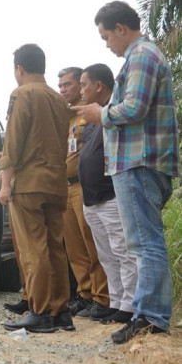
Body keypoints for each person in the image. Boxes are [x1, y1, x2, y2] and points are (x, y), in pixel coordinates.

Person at [74, 1, 179, 343]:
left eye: (106, 36)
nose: (107, 45)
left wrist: (100, 114)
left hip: (139, 161)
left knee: (144, 243)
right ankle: (148, 315)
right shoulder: (141, 56)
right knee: (143, 241)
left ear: (120, 28)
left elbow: (134, 107)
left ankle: (150, 318)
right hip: (139, 162)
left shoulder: (142, 56)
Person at [1, 44, 72, 334]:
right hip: (56, 183)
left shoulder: (22, 94)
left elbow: (13, 141)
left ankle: (40, 311)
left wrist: (5, 182)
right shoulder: (58, 99)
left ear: (19, 69)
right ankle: (61, 311)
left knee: (33, 249)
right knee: (55, 247)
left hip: (29, 183)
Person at [77, 63, 136, 324]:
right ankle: (117, 301)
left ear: (99, 85)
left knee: (123, 250)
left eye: (83, 85)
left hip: (111, 195)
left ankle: (130, 305)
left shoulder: (114, 111)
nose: (81, 91)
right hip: (91, 198)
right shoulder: (92, 117)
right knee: (106, 255)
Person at [57, 66, 110, 316]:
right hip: (66, 187)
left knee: (92, 244)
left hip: (84, 185)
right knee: (74, 247)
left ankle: (102, 296)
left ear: (81, 85)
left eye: (67, 84)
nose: (63, 90)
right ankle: (85, 293)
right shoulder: (67, 117)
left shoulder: (90, 113)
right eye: (60, 86)